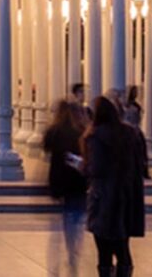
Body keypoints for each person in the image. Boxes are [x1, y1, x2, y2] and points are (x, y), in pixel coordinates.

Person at [82, 96, 146, 277]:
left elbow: (96, 168)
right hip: (126, 196)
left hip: (104, 199)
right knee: (123, 249)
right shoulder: (132, 134)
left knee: (104, 251)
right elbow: (140, 164)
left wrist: (82, 166)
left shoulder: (95, 135)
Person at [44, 100, 89, 274]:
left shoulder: (54, 131)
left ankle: (63, 252)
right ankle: (73, 251)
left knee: (64, 217)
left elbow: (47, 146)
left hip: (60, 178)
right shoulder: (80, 131)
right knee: (76, 216)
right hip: (77, 179)